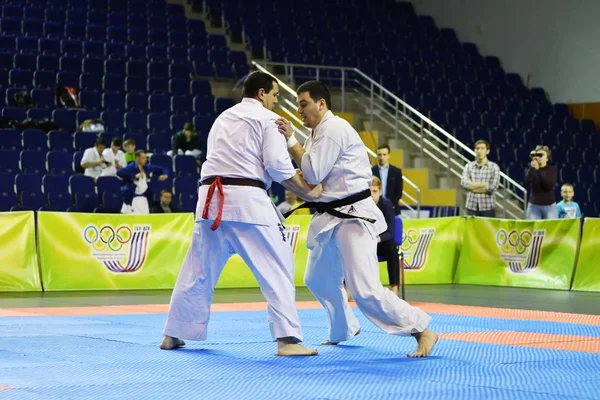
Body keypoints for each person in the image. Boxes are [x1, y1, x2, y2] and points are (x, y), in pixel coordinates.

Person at [161, 71, 321, 356]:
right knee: (277, 265)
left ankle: (173, 333)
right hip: (247, 202)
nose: (274, 101)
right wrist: (308, 192)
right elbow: (277, 166)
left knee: (197, 271)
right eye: (274, 95)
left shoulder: (223, 118)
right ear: (261, 93)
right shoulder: (266, 120)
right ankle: (287, 341)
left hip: (210, 201)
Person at [276, 80, 437, 357]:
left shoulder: (334, 129)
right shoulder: (317, 134)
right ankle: (344, 328)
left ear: (321, 104)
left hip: (352, 217)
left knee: (365, 290)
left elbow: (312, 173)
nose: (299, 110)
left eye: (303, 104)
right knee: (317, 278)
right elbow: (311, 178)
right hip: (331, 217)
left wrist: (291, 140)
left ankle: (422, 329)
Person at [370, 177, 400, 296]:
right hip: (366, 243)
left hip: (381, 243)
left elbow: (391, 231)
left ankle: (394, 288)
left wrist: (378, 239)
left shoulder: (386, 204)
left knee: (392, 247)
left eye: (374, 191)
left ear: (380, 191)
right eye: (369, 192)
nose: (371, 195)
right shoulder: (362, 206)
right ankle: (348, 288)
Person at [116, 150, 169, 214]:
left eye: (146, 158)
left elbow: (163, 168)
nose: (145, 160)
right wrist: (134, 175)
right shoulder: (131, 167)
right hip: (132, 198)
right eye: (143, 158)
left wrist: (165, 174)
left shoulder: (147, 168)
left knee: (145, 220)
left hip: (144, 198)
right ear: (137, 158)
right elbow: (119, 172)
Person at [460, 139, 501, 217]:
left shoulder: (494, 167)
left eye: (482, 148)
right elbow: (464, 183)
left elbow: (493, 187)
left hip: (488, 208)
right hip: (471, 207)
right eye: (477, 148)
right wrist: (484, 184)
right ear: (475, 150)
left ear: (487, 151)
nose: (479, 151)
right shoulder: (469, 166)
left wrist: (472, 187)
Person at [526, 145, 558, 220]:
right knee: (533, 230)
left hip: (549, 206)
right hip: (534, 206)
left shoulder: (552, 169)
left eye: (541, 155)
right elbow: (528, 180)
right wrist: (533, 168)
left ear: (547, 158)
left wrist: (538, 170)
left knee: (551, 229)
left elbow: (548, 185)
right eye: (537, 155)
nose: (538, 157)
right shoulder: (531, 167)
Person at [371, 145, 403, 215]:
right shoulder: (371, 171)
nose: (382, 157)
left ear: (389, 155)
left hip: (392, 208)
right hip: (375, 208)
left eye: (384, 155)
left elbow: (399, 192)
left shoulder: (396, 172)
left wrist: (389, 204)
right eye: (379, 155)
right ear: (376, 155)